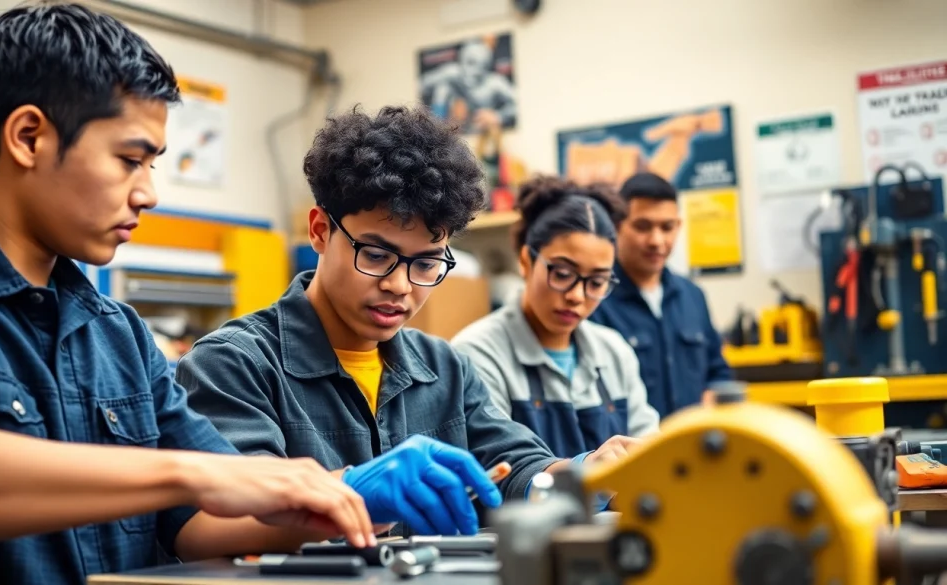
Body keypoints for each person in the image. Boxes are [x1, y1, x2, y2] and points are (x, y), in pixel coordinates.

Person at [0, 6, 376, 585]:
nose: (150, 194)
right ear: (28, 137)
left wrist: (356, 498)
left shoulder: (118, 334)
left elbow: (204, 516)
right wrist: (184, 473)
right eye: (130, 160)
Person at [177, 106, 643, 547]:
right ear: (320, 230)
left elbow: (516, 467)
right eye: (376, 256)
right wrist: (348, 494)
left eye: (425, 264)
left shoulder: (444, 368)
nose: (400, 285)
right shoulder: (235, 364)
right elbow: (212, 523)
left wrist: (585, 473)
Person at [452, 176, 659, 458]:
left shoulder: (614, 353)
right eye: (562, 274)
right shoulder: (476, 354)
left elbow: (649, 454)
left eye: (597, 282)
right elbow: (497, 469)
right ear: (526, 261)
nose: (577, 295)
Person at [589, 172, 732, 418]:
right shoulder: (594, 300)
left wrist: (712, 401)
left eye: (667, 227)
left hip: (691, 447)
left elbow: (717, 372)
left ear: (678, 226)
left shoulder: (693, 297)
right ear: (616, 226)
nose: (657, 240)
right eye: (643, 226)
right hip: (630, 452)